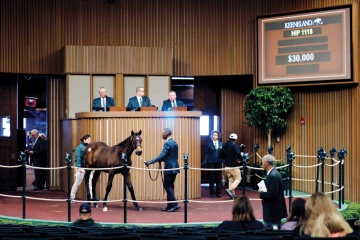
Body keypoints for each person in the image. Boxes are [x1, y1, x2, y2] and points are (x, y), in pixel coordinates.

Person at [145, 128, 180, 212]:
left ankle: (175, 204)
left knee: (167, 185)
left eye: (162, 133)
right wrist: (162, 160)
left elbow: (162, 155)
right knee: (170, 185)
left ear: (167, 133)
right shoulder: (174, 143)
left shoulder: (167, 144)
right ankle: (170, 206)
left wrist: (151, 161)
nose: (161, 135)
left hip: (169, 167)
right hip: (175, 167)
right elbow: (171, 156)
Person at [259, 154, 287, 229]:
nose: (262, 164)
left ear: (265, 163)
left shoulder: (272, 175)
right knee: (276, 230)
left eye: (262, 163)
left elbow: (273, 194)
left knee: (271, 231)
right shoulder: (276, 173)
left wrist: (262, 192)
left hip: (272, 212)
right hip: (275, 211)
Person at [219, 133, 242, 199]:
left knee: (231, 179)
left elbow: (220, 155)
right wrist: (240, 160)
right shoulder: (233, 145)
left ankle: (232, 195)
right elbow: (238, 153)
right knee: (238, 178)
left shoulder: (224, 145)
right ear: (235, 139)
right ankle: (230, 189)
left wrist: (226, 159)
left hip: (226, 166)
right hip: (233, 166)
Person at [70, 134, 92, 202]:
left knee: (90, 182)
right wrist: (79, 167)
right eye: (88, 139)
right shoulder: (79, 148)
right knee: (78, 182)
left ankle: (91, 197)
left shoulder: (90, 147)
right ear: (84, 140)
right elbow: (77, 158)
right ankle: (72, 197)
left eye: (90, 139)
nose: (90, 140)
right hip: (81, 167)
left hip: (88, 167)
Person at [203, 130, 223, 198]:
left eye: (216, 135)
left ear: (218, 136)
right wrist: (205, 161)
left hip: (219, 162)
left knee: (218, 178)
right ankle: (212, 193)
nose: (214, 136)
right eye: (213, 135)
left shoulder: (221, 144)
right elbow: (206, 154)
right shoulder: (209, 144)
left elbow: (223, 154)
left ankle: (218, 193)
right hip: (211, 162)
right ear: (211, 136)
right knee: (212, 178)